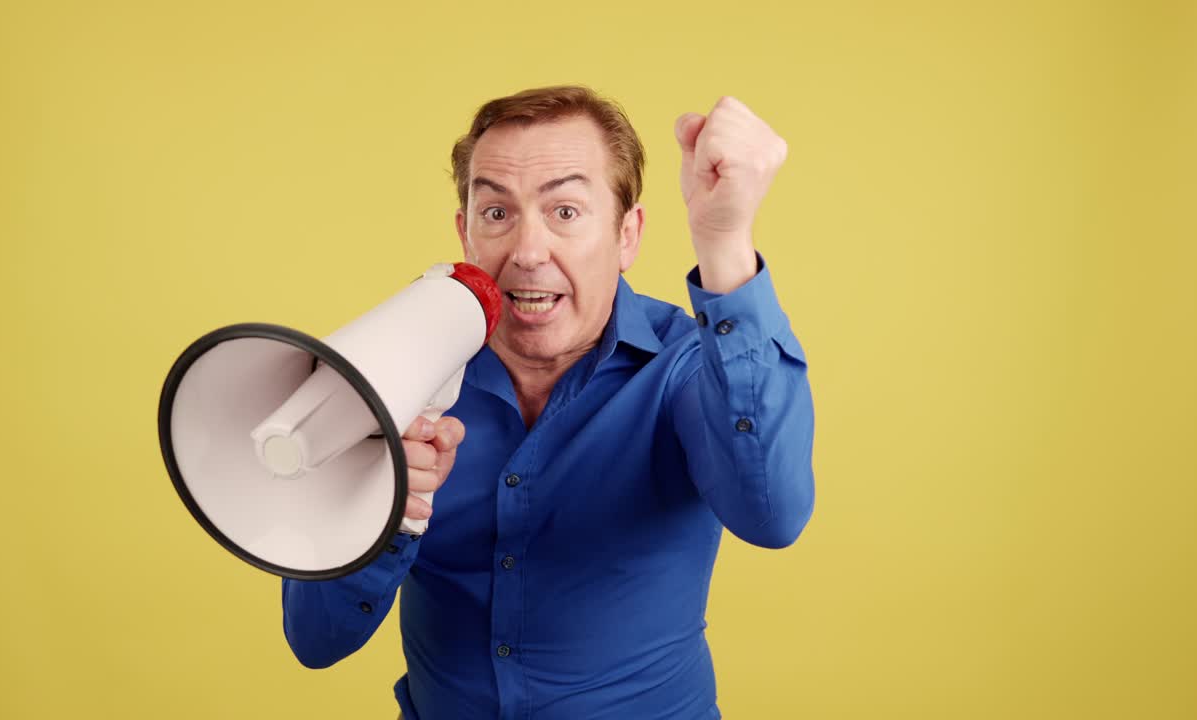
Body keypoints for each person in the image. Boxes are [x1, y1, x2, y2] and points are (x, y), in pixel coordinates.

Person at [281, 84, 815, 720]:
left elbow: (774, 516)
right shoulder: (398, 374)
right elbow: (315, 641)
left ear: (627, 235)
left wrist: (724, 242)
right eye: (497, 214)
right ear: (466, 235)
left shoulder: (687, 366)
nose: (528, 253)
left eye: (565, 211)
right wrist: (384, 510)